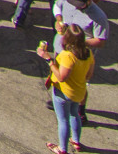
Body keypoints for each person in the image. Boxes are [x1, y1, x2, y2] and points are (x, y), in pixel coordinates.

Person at [40, 23, 95, 154]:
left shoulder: (68, 56)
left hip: (63, 92)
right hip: (79, 92)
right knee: (74, 114)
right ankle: (76, 141)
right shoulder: (88, 53)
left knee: (63, 120)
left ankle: (62, 149)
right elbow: (89, 75)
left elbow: (61, 77)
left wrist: (49, 60)